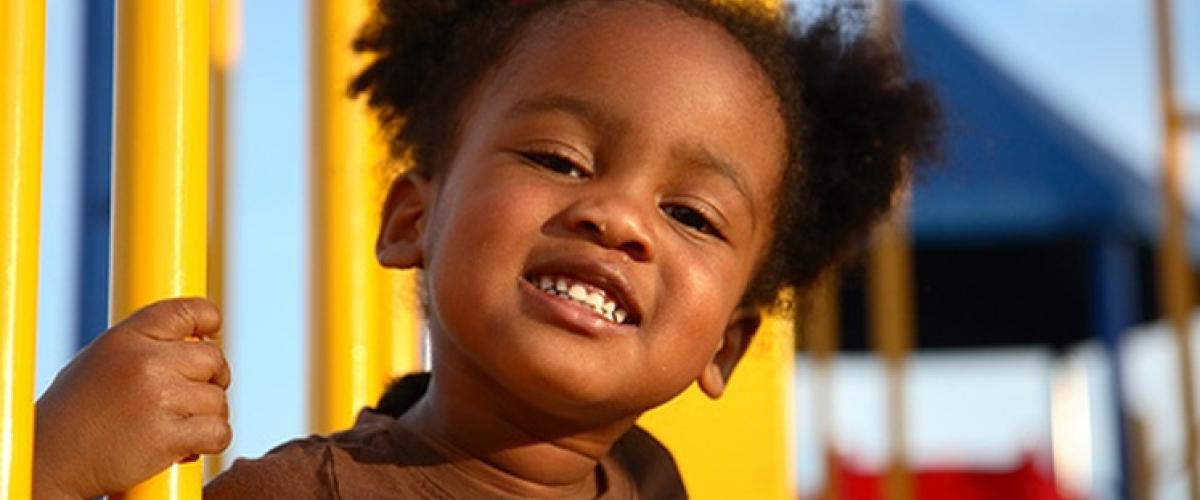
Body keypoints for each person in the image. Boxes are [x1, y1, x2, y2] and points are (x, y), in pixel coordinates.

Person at [32, 0, 940, 498]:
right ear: (410, 222)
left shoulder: (653, 486)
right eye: (557, 159)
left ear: (725, 346)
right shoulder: (303, 498)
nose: (618, 218)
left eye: (692, 215)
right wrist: (45, 472)